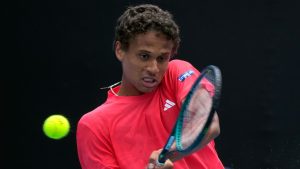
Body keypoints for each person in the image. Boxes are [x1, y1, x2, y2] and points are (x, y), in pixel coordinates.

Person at [76, 4, 224, 169]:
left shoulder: (177, 72)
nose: (154, 69)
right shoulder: (94, 125)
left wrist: (168, 154)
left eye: (162, 58)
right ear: (120, 50)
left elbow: (209, 124)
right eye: (144, 56)